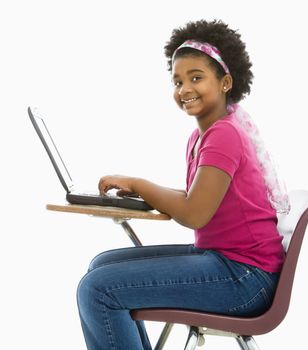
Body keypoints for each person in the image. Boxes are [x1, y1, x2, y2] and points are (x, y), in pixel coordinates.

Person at [77, 19, 290, 350]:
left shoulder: (224, 134)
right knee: (100, 267)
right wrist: (141, 191)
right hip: (230, 264)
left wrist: (139, 183)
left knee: (97, 289)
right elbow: (198, 198)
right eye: (177, 81)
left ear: (225, 82)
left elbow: (195, 214)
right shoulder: (204, 134)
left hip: (244, 278)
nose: (184, 89)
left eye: (196, 78)